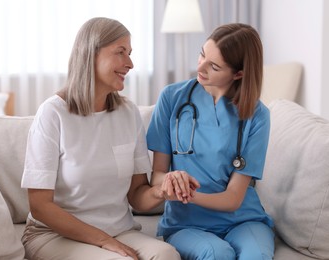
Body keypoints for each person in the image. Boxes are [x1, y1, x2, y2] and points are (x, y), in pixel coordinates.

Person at [20, 17, 181, 260]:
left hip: (119, 231)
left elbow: (137, 194)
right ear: (90, 54)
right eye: (121, 52)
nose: (130, 63)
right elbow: (40, 205)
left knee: (167, 255)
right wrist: (103, 241)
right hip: (54, 235)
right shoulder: (53, 113)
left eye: (130, 53)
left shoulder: (128, 113)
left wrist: (160, 192)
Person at [146, 23, 275, 260]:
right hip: (187, 223)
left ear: (238, 73)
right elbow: (157, 176)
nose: (201, 67)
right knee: (217, 254)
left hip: (242, 219)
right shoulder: (172, 98)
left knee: (256, 256)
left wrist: (184, 193)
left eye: (214, 66)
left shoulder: (257, 116)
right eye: (202, 54)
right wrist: (172, 181)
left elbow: (234, 198)